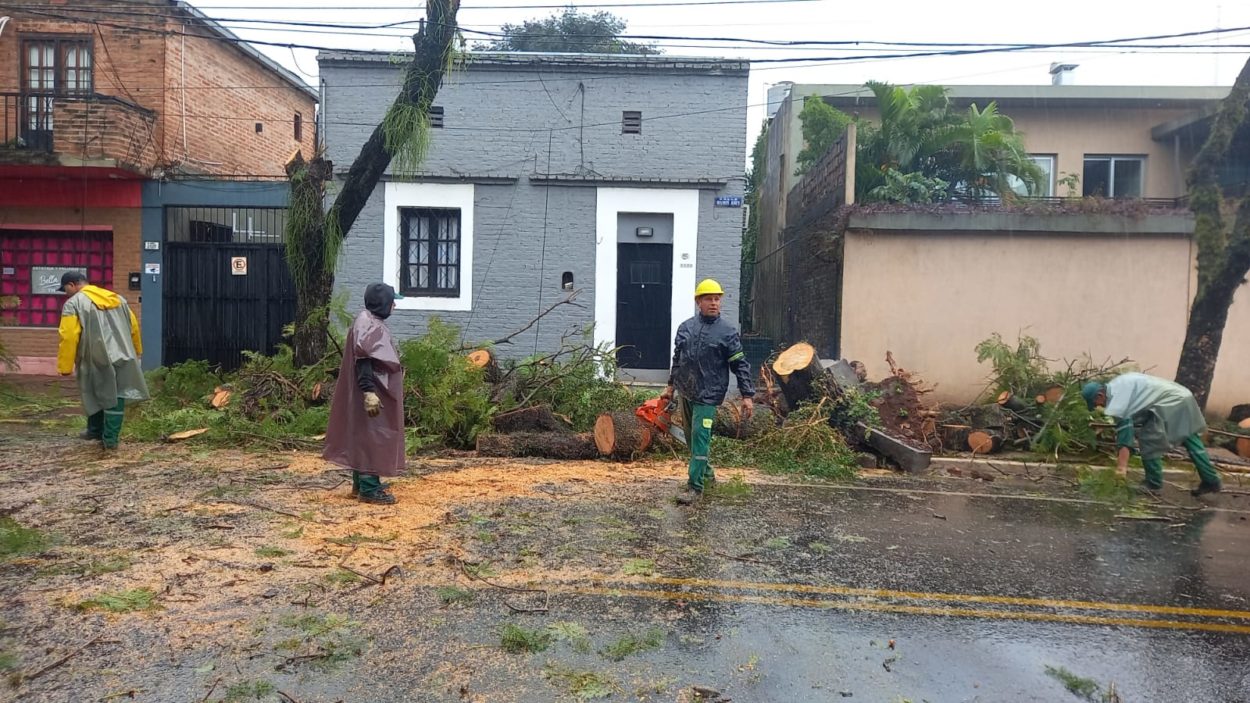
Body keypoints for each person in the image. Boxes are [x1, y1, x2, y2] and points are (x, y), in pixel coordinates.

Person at [661, 279, 755, 504]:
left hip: (709, 396)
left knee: (700, 437)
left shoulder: (727, 332)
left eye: (717, 299)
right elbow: (678, 360)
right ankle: (708, 475)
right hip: (686, 391)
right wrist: (670, 386)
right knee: (692, 441)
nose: (714, 303)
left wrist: (747, 395)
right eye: (708, 299)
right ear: (698, 302)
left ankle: (695, 488)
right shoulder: (685, 328)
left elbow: (740, 365)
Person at [323, 283, 406, 504]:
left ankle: (361, 484)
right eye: (392, 301)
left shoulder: (367, 321)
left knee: (364, 434)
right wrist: (369, 391)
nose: (395, 306)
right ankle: (369, 490)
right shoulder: (370, 326)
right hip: (374, 391)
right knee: (374, 436)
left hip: (371, 389)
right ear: (383, 303)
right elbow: (364, 360)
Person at [1082, 373, 1222, 497]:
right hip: (1182, 395)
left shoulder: (1117, 402)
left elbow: (1125, 438)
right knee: (1190, 438)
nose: (1098, 407)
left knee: (1149, 440)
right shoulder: (1116, 384)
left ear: (1100, 395)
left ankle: (1153, 484)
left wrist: (1121, 469)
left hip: (1170, 402)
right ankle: (1211, 480)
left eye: (1096, 404)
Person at [56, 271, 149, 450]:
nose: (65, 292)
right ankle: (109, 437)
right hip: (124, 354)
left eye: (65, 288)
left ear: (72, 284)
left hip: (95, 356)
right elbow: (134, 326)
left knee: (93, 391)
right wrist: (137, 350)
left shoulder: (73, 304)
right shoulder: (118, 299)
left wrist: (65, 365)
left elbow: (68, 336)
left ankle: (100, 434)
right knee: (118, 393)